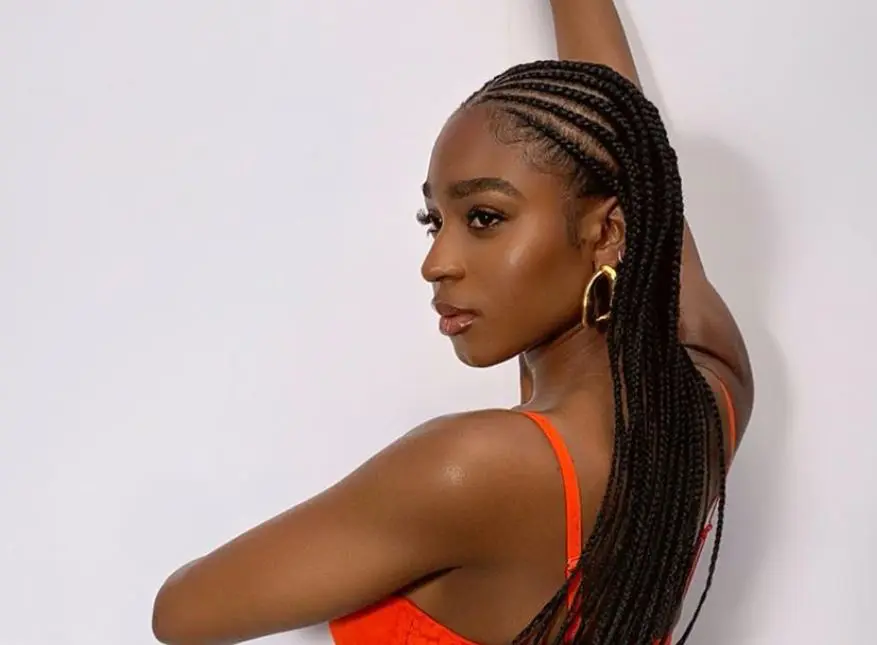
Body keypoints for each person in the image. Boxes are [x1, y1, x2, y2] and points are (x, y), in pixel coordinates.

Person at [151, 1, 754, 643]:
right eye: (433, 221)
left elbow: (181, 612)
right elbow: (640, 171)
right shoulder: (712, 399)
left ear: (607, 231)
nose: (436, 263)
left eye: (485, 218)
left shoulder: (466, 469)